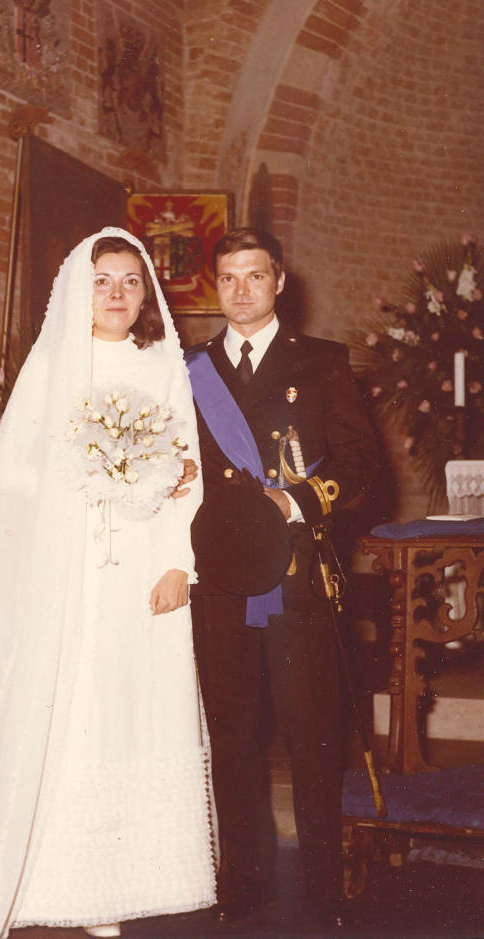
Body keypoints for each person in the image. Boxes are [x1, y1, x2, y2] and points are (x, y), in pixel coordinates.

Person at [0, 228, 215, 939]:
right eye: (102, 280)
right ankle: (59, 882)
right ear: (79, 291)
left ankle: (136, 879)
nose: (116, 293)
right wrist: (89, 472)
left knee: (134, 708)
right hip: (70, 566)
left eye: (130, 281)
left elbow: (190, 473)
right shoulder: (53, 363)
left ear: (146, 295)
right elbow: (18, 475)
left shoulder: (161, 365)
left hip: (146, 566)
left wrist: (178, 563)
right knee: (75, 707)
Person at [186, 228, 378, 927]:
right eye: (229, 278)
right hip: (222, 579)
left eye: (255, 276)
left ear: (280, 282)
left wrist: (293, 501)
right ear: (216, 285)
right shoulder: (191, 368)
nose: (241, 290)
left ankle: (326, 883)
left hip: (297, 580)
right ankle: (245, 880)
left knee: (311, 735)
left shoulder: (322, 361)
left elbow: (361, 470)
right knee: (232, 733)